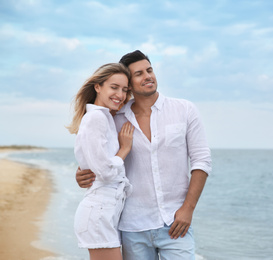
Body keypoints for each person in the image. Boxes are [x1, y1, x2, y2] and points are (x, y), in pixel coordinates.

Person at [76, 50, 212, 260]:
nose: (148, 76)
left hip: (175, 223)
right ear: (129, 84)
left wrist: (188, 209)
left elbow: (201, 161)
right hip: (132, 226)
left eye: (149, 70)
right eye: (139, 73)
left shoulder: (184, 110)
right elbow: (96, 155)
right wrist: (83, 173)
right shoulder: (115, 117)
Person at [68, 63, 135, 260]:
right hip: (99, 213)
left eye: (125, 90)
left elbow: (95, 165)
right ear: (98, 86)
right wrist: (124, 149)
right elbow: (105, 172)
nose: (120, 95)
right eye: (114, 87)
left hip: (106, 212)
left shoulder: (106, 118)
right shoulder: (96, 118)